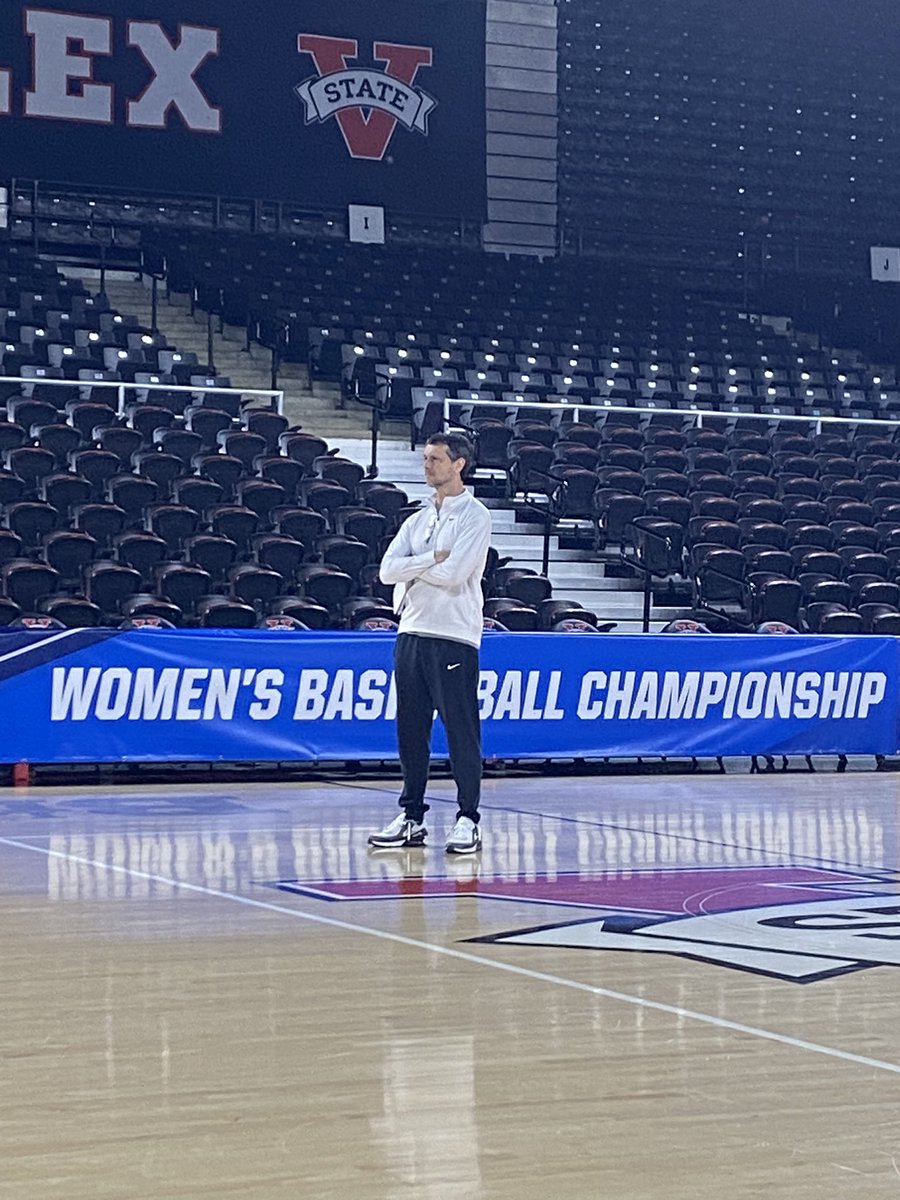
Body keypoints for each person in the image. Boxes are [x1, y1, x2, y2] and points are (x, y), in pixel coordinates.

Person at [368, 432, 492, 854]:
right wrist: (427, 561)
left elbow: (456, 573)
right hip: (411, 633)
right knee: (410, 729)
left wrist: (414, 569)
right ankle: (412, 816)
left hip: (454, 635)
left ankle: (468, 818)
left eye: (436, 459)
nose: (427, 465)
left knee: (460, 730)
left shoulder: (475, 516)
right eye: (425, 458)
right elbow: (387, 572)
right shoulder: (417, 519)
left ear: (458, 464)